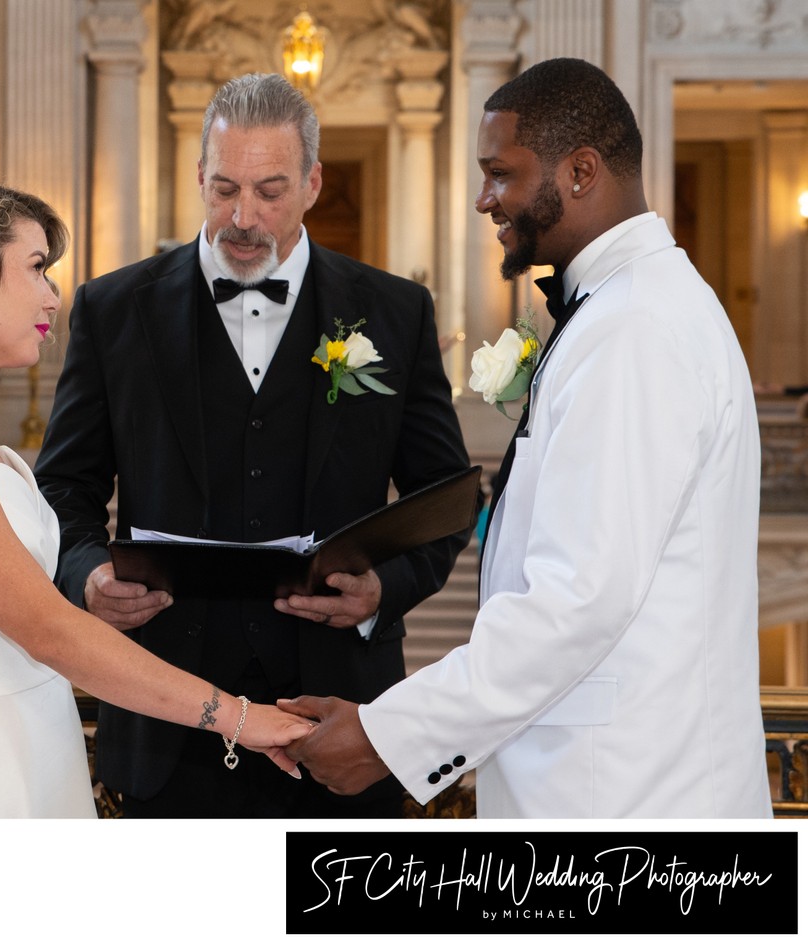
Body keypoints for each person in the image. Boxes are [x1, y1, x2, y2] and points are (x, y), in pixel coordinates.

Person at [281, 58, 773, 818]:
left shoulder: (637, 329)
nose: (485, 199)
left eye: (500, 173)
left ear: (581, 171)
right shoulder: (625, 309)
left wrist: (388, 736)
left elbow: (576, 600)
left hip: (631, 805)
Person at [33, 72, 471, 818]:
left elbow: (446, 497)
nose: (242, 216)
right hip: (164, 715)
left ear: (312, 182)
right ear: (200, 176)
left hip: (339, 726)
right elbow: (62, 488)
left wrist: (382, 593)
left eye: (269, 191)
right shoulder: (113, 310)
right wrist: (88, 574)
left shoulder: (395, 312)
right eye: (224, 187)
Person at [0, 175, 310, 818]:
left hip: (22, 747)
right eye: (36, 268)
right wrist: (238, 718)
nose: (54, 296)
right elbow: (49, 631)